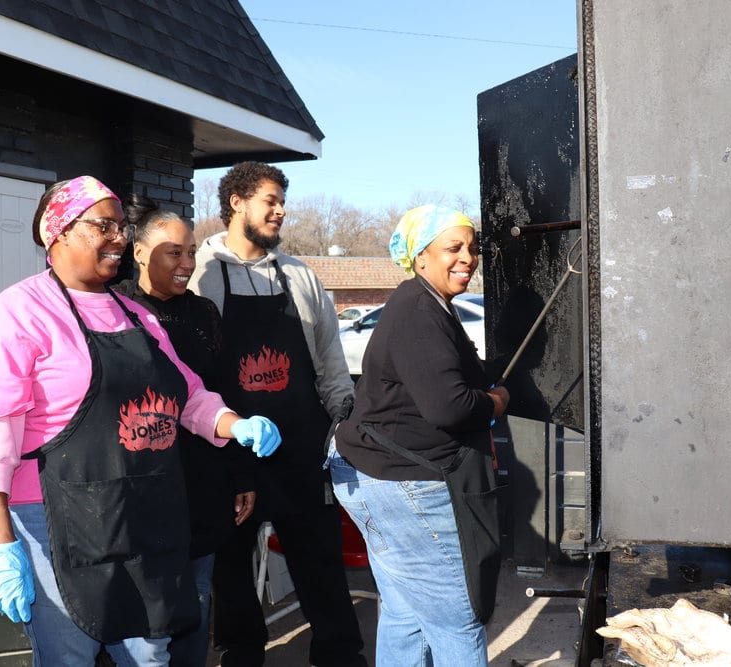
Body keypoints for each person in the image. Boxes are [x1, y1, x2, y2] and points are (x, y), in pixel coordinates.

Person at [0, 176, 282, 667]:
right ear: (56, 232)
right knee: (73, 652)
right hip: (44, 512)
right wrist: (0, 541)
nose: (119, 238)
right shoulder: (18, 313)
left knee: (149, 649)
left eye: (121, 227)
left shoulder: (135, 314)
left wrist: (234, 423)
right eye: (102, 226)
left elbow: (187, 394)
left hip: (134, 510)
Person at [188, 161, 367, 667]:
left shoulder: (300, 276)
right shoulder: (201, 273)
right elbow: (193, 375)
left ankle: (339, 654)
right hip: (229, 449)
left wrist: (344, 422)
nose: (280, 210)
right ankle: (241, 656)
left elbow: (331, 361)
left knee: (321, 562)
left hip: (300, 450)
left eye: (281, 201)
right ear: (237, 203)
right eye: (270, 200)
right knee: (232, 569)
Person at [328, 205, 511, 666]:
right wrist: (497, 402)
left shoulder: (428, 305)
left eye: (472, 248)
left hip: (374, 474)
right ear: (420, 256)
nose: (467, 257)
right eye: (453, 247)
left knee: (407, 613)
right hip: (404, 481)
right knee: (458, 619)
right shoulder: (418, 309)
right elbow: (450, 407)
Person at [114, 194, 258, 667]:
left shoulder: (202, 315)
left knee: (194, 606)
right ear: (139, 253)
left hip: (203, 483)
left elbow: (221, 393)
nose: (187, 262)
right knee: (144, 618)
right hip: (142, 488)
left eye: (192, 251)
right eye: (174, 252)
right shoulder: (116, 313)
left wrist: (241, 475)